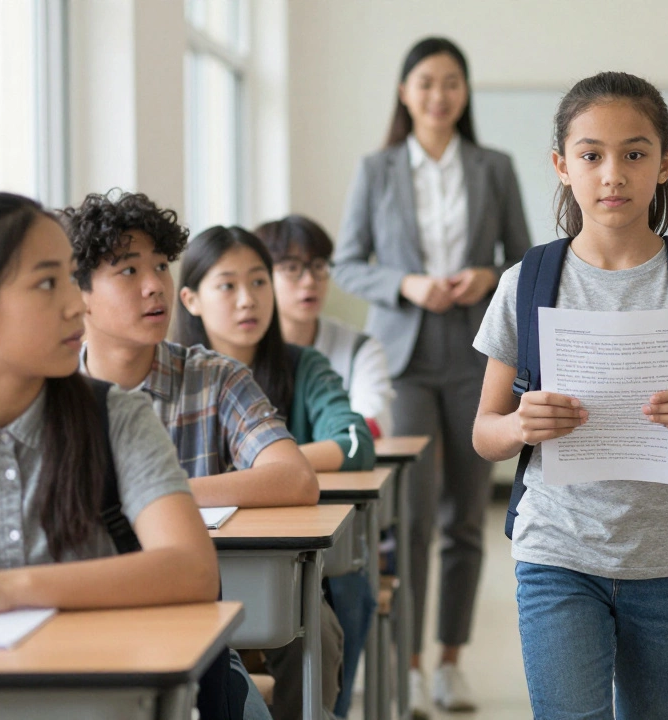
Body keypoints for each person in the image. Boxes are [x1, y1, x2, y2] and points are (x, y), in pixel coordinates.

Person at [471, 71, 668, 720]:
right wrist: (520, 423)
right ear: (560, 165)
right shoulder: (528, 281)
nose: (612, 174)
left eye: (635, 154)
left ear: (665, 164)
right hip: (557, 552)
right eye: (591, 155)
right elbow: (485, 435)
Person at [0, 192, 223, 711]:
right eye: (47, 283)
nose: (76, 304)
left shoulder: (114, 417)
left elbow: (193, 569)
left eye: (71, 278)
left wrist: (5, 588)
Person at [332, 36, 531, 715]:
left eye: (451, 82)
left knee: (467, 518)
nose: (438, 94)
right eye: (425, 82)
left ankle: (450, 661)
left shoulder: (494, 167)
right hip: (406, 357)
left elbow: (526, 260)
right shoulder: (377, 168)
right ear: (404, 91)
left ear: (465, 93)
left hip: (481, 354)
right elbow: (347, 263)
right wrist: (408, 284)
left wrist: (487, 277)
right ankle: (409, 663)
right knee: (411, 519)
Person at [64, 190, 317, 720]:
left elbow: (294, 479)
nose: (156, 284)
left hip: (195, 621)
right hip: (80, 631)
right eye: (128, 271)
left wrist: (159, 497)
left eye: (160, 265)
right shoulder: (51, 394)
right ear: (79, 292)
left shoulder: (214, 374)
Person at [177, 224, 377, 718]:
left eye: (259, 281)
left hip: (275, 563)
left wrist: (273, 463)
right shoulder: (173, 379)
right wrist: (260, 476)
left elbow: (354, 443)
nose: (248, 300)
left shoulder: (301, 365)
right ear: (191, 299)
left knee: (325, 621)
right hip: (192, 561)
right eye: (227, 285)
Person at [257, 214, 394, 438]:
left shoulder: (359, 348)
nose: (310, 280)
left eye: (318, 266)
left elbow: (372, 425)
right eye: (292, 268)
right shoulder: (245, 348)